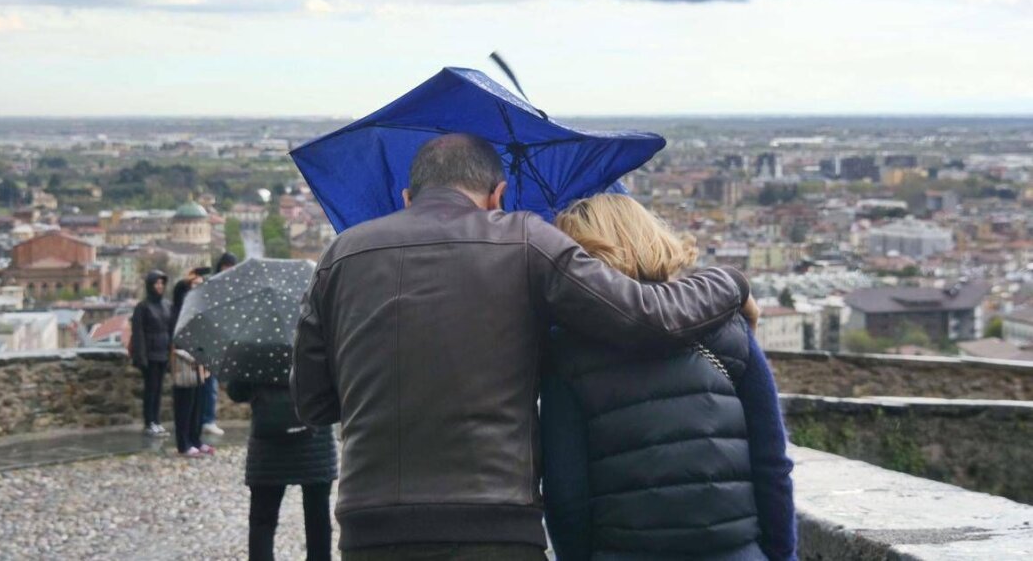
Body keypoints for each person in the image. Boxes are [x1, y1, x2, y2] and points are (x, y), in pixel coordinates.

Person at [292, 133, 759, 560]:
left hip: (372, 527)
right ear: (497, 195)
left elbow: (314, 403)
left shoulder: (341, 255)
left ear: (407, 198)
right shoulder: (525, 239)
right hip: (495, 524)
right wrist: (731, 282)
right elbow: (649, 316)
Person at [542, 194, 796, 561]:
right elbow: (771, 464)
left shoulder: (567, 350)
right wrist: (780, 555)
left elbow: (566, 491)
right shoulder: (729, 329)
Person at [227, 379, 337, 561]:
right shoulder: (315, 357)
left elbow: (236, 391)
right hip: (315, 442)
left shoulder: (256, 360)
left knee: (262, 520)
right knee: (318, 517)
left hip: (267, 443)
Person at [170, 267, 215, 458]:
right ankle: (184, 443)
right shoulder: (178, 311)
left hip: (199, 363)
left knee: (198, 404)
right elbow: (176, 340)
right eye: (195, 285)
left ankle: (195, 439)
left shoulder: (197, 310)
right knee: (185, 405)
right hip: (185, 362)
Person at [130, 269, 172, 437]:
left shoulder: (166, 305)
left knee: (159, 389)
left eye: (162, 283)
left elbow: (170, 328)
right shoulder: (143, 307)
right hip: (150, 354)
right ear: (150, 285)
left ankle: (156, 420)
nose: (159, 286)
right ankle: (149, 422)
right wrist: (141, 357)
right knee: (151, 389)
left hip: (163, 352)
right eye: (156, 283)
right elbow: (138, 333)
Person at [201, 251, 239, 437]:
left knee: (210, 383)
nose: (228, 269)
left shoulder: (233, 288)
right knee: (209, 384)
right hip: (210, 340)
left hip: (221, 340)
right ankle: (207, 420)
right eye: (226, 266)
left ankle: (206, 419)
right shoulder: (213, 287)